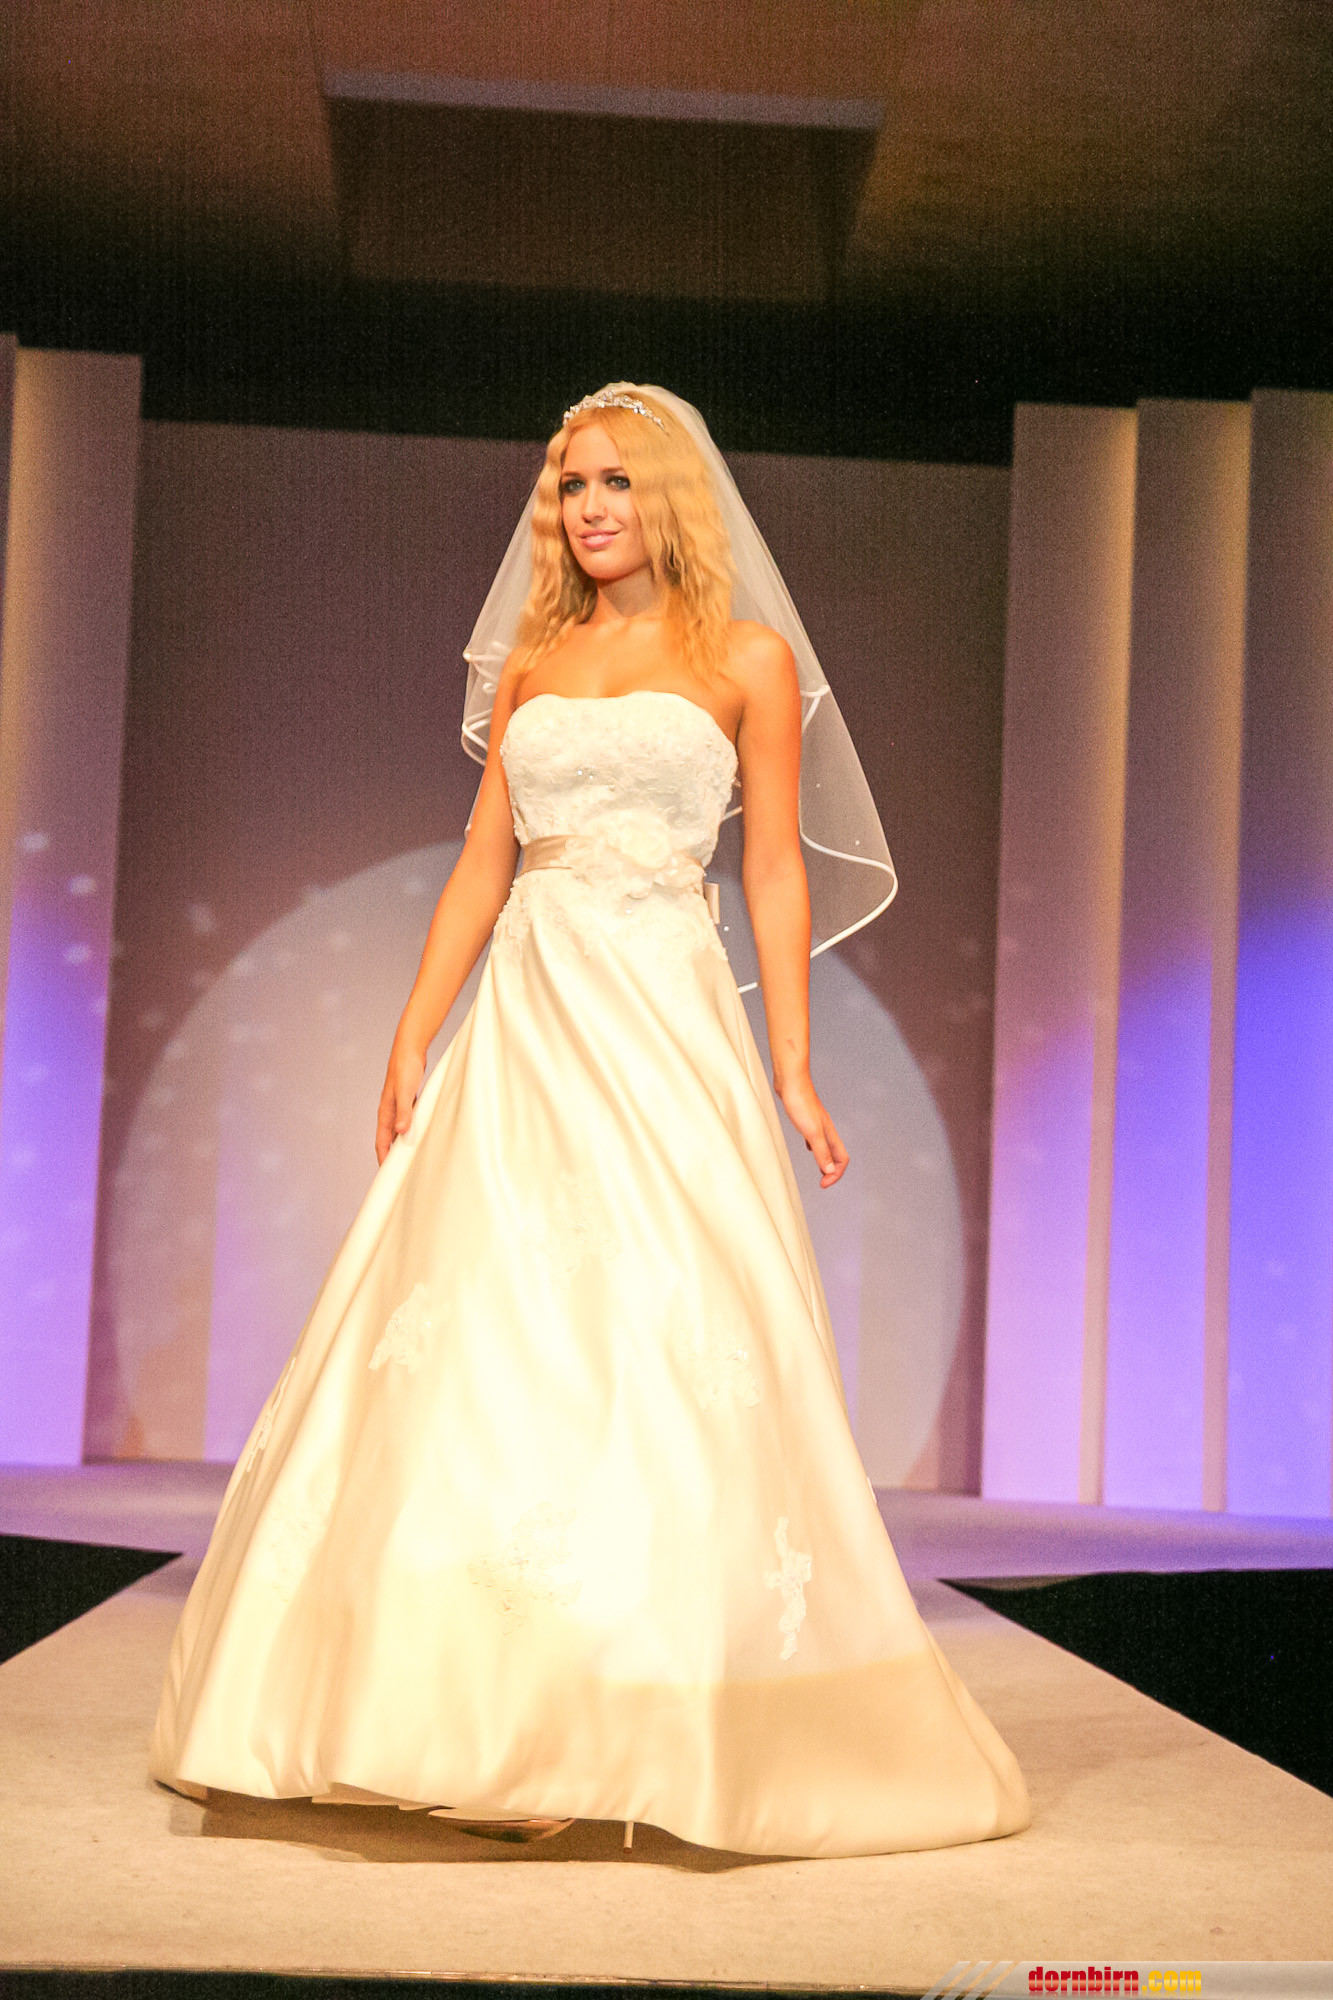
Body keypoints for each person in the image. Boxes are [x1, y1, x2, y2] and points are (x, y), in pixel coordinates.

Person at [149, 384, 1029, 1859]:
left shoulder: (746, 659)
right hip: (530, 1017)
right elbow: (484, 862)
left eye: (615, 480)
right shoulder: (535, 664)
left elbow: (771, 872)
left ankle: (628, 1713)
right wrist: (411, 1031)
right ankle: (459, 1711)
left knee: (660, 1330)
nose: (588, 508)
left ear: (670, 494)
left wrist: (792, 1062)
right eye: (569, 485)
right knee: (492, 1331)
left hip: (662, 1017)